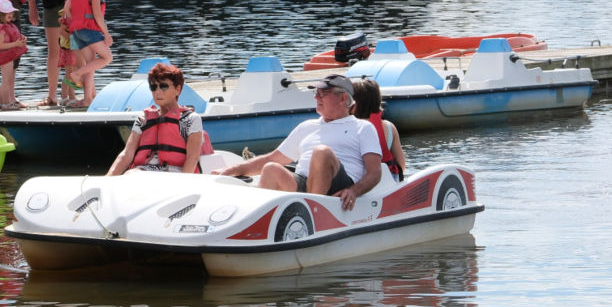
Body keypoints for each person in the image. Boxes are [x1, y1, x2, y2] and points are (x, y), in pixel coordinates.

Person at [214, 74, 384, 210]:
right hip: (305, 182)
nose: (316, 97)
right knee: (271, 168)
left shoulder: (363, 127)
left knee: (321, 152)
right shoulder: (306, 126)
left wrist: (353, 191)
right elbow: (271, 158)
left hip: (339, 184)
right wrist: (231, 170)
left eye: (323, 93)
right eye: (315, 92)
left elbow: (375, 172)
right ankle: (259, 222)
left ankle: (315, 212)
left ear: (343, 98)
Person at [107, 62, 204, 175]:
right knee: (131, 174)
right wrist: (107, 179)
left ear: (177, 89)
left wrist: (182, 184)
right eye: (153, 87)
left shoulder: (191, 119)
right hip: (143, 172)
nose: (157, 92)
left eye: (163, 86)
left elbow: (193, 156)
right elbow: (127, 154)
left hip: (176, 174)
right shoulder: (143, 119)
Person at [63, 0, 114, 106]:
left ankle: (87, 100)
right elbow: (98, 15)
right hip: (90, 30)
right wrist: (106, 34)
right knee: (108, 57)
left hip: (76, 31)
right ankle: (76, 74)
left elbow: (67, 10)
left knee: (90, 65)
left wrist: (77, 22)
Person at [352, 77, 406, 179]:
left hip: (361, 184)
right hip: (388, 182)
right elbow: (401, 165)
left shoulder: (351, 127)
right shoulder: (389, 127)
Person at [0, 0, 28, 110]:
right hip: (5, 57)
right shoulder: (0, 29)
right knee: (6, 81)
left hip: (8, 56)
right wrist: (16, 44)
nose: (10, 14)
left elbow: (12, 37)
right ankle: (6, 104)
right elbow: (1, 46)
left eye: (11, 12)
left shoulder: (7, 25)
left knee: (6, 80)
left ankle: (0, 103)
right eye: (7, 12)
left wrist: (20, 39)